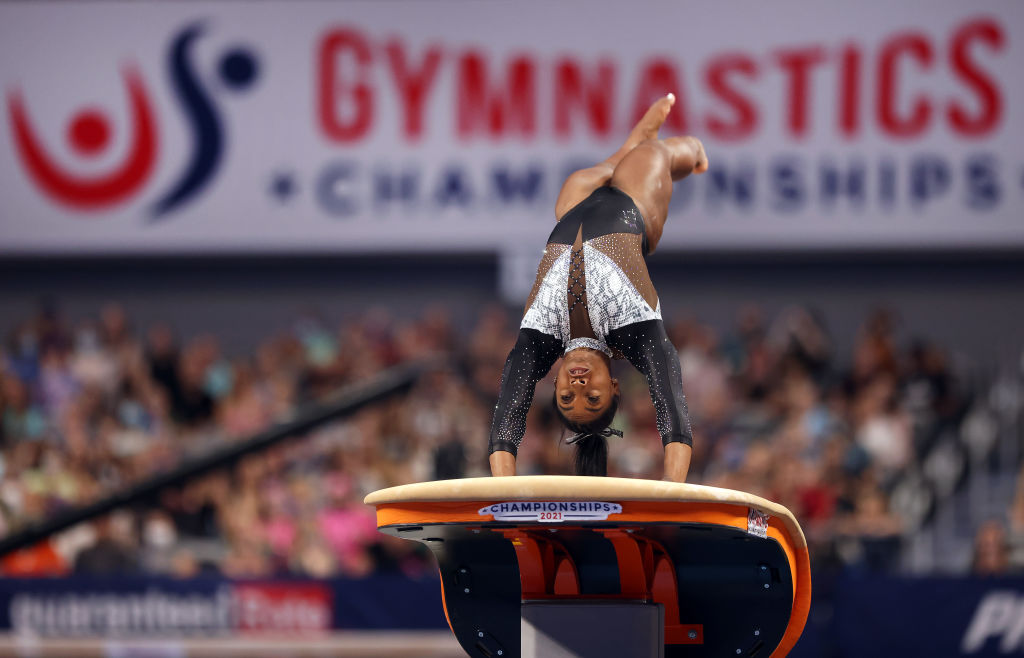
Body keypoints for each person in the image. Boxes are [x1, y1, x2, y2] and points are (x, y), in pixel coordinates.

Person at [488, 94, 707, 482]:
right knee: (653, 156)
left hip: (572, 210)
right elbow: (673, 415)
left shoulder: (540, 338)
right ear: (614, 386)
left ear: (553, 384)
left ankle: (632, 140)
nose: (578, 386)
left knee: (592, 175)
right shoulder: (635, 332)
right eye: (593, 397)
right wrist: (672, 492)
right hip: (634, 205)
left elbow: (506, 426)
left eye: (566, 397)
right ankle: (687, 150)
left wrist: (505, 494)